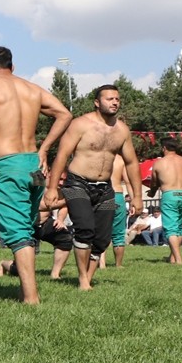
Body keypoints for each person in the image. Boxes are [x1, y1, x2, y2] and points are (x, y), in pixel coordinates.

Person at [0, 46, 72, 304]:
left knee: (17, 232)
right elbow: (64, 114)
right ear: (12, 67)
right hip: (35, 167)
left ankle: (31, 297)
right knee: (28, 226)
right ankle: (26, 288)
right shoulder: (32, 89)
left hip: (9, 164)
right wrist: (45, 148)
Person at [43, 85, 141, 291]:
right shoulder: (80, 124)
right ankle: (82, 280)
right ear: (97, 102)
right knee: (85, 228)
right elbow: (61, 155)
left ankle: (88, 277)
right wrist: (52, 187)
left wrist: (137, 197)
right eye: (109, 99)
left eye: (117, 99)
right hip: (77, 184)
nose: (115, 102)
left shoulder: (122, 130)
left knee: (102, 239)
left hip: (105, 188)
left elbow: (132, 163)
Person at [146, 137, 182, 265]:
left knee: (170, 229)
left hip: (169, 195)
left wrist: (152, 192)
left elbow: (154, 182)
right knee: (178, 228)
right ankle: (172, 258)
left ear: (164, 148)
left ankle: (178, 260)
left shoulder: (159, 163)